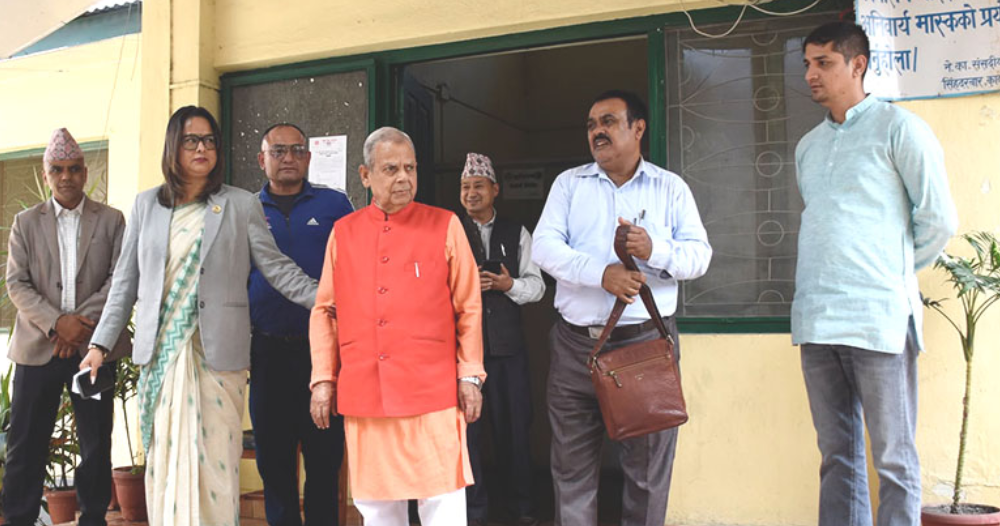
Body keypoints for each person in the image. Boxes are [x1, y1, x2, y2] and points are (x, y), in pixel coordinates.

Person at [82, 106, 318, 525]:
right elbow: (125, 282)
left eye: (209, 140)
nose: (201, 148)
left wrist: (328, 299)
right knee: (167, 463)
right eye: (191, 140)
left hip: (218, 360)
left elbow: (276, 267)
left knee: (216, 467)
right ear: (173, 146)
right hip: (163, 357)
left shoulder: (239, 204)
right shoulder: (146, 206)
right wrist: (99, 344)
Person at [793, 22, 957, 526]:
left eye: (824, 63)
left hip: (879, 319)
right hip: (818, 320)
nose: (811, 73)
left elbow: (938, 220)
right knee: (836, 457)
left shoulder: (899, 129)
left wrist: (889, 274)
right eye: (807, 63)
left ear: (857, 65)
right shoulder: (808, 147)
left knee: (893, 459)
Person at [532, 90, 712, 526]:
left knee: (646, 477)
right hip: (576, 349)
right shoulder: (569, 185)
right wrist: (601, 274)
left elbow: (699, 257)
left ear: (638, 128)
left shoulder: (670, 188)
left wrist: (656, 250)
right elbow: (544, 247)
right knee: (571, 472)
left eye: (608, 121)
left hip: (643, 348)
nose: (597, 131)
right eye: (592, 125)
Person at [309, 126, 485, 526]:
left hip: (433, 392)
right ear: (365, 175)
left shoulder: (445, 225)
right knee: (377, 509)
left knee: (442, 503)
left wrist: (470, 375)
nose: (404, 177)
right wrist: (323, 379)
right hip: (367, 392)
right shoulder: (344, 232)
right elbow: (324, 311)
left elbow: (469, 307)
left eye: (410, 167)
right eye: (391, 169)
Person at [2, 128, 130, 526]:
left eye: (74, 168)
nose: (66, 176)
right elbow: (16, 283)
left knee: (95, 442)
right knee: (25, 442)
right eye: (57, 169)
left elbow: (120, 279)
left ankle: (93, 518)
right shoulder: (25, 223)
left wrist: (79, 328)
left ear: (85, 172)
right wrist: (58, 324)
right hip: (37, 349)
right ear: (46, 175)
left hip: (93, 350)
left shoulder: (111, 220)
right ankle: (18, 518)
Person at [248, 123, 353, 526]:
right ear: (262, 160)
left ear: (308, 158)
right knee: (274, 463)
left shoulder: (334, 205)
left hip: (323, 356)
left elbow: (355, 270)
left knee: (324, 460)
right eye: (278, 151)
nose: (288, 158)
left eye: (296, 150)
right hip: (268, 352)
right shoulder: (246, 210)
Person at [456, 152, 545, 526]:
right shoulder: (450, 230)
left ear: (495, 189)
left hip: (509, 352)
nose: (471, 193)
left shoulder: (517, 232)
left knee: (515, 429)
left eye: (478, 186)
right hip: (464, 353)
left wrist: (509, 285)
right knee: (468, 434)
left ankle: (521, 508)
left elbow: (538, 287)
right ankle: (473, 513)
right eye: (465, 187)